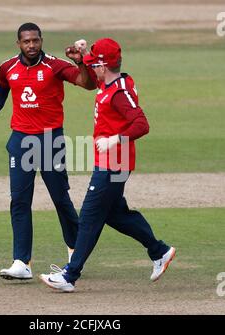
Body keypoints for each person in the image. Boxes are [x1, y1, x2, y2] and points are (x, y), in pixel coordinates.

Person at [40, 38, 176, 292]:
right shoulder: (111, 80)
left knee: (91, 216)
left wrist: (115, 139)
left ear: (103, 66)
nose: (92, 68)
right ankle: (160, 251)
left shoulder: (119, 93)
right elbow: (92, 77)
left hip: (114, 162)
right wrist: (81, 56)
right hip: (111, 161)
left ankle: (70, 275)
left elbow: (141, 124)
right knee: (115, 213)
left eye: (94, 64)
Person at [0, 23, 97, 280]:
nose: (31, 45)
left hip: (50, 140)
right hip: (20, 141)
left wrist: (81, 62)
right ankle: (21, 262)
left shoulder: (55, 65)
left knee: (60, 198)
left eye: (35, 41)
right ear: (18, 43)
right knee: (19, 201)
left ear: (41, 40)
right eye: (26, 41)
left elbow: (87, 84)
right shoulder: (7, 68)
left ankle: (75, 251)